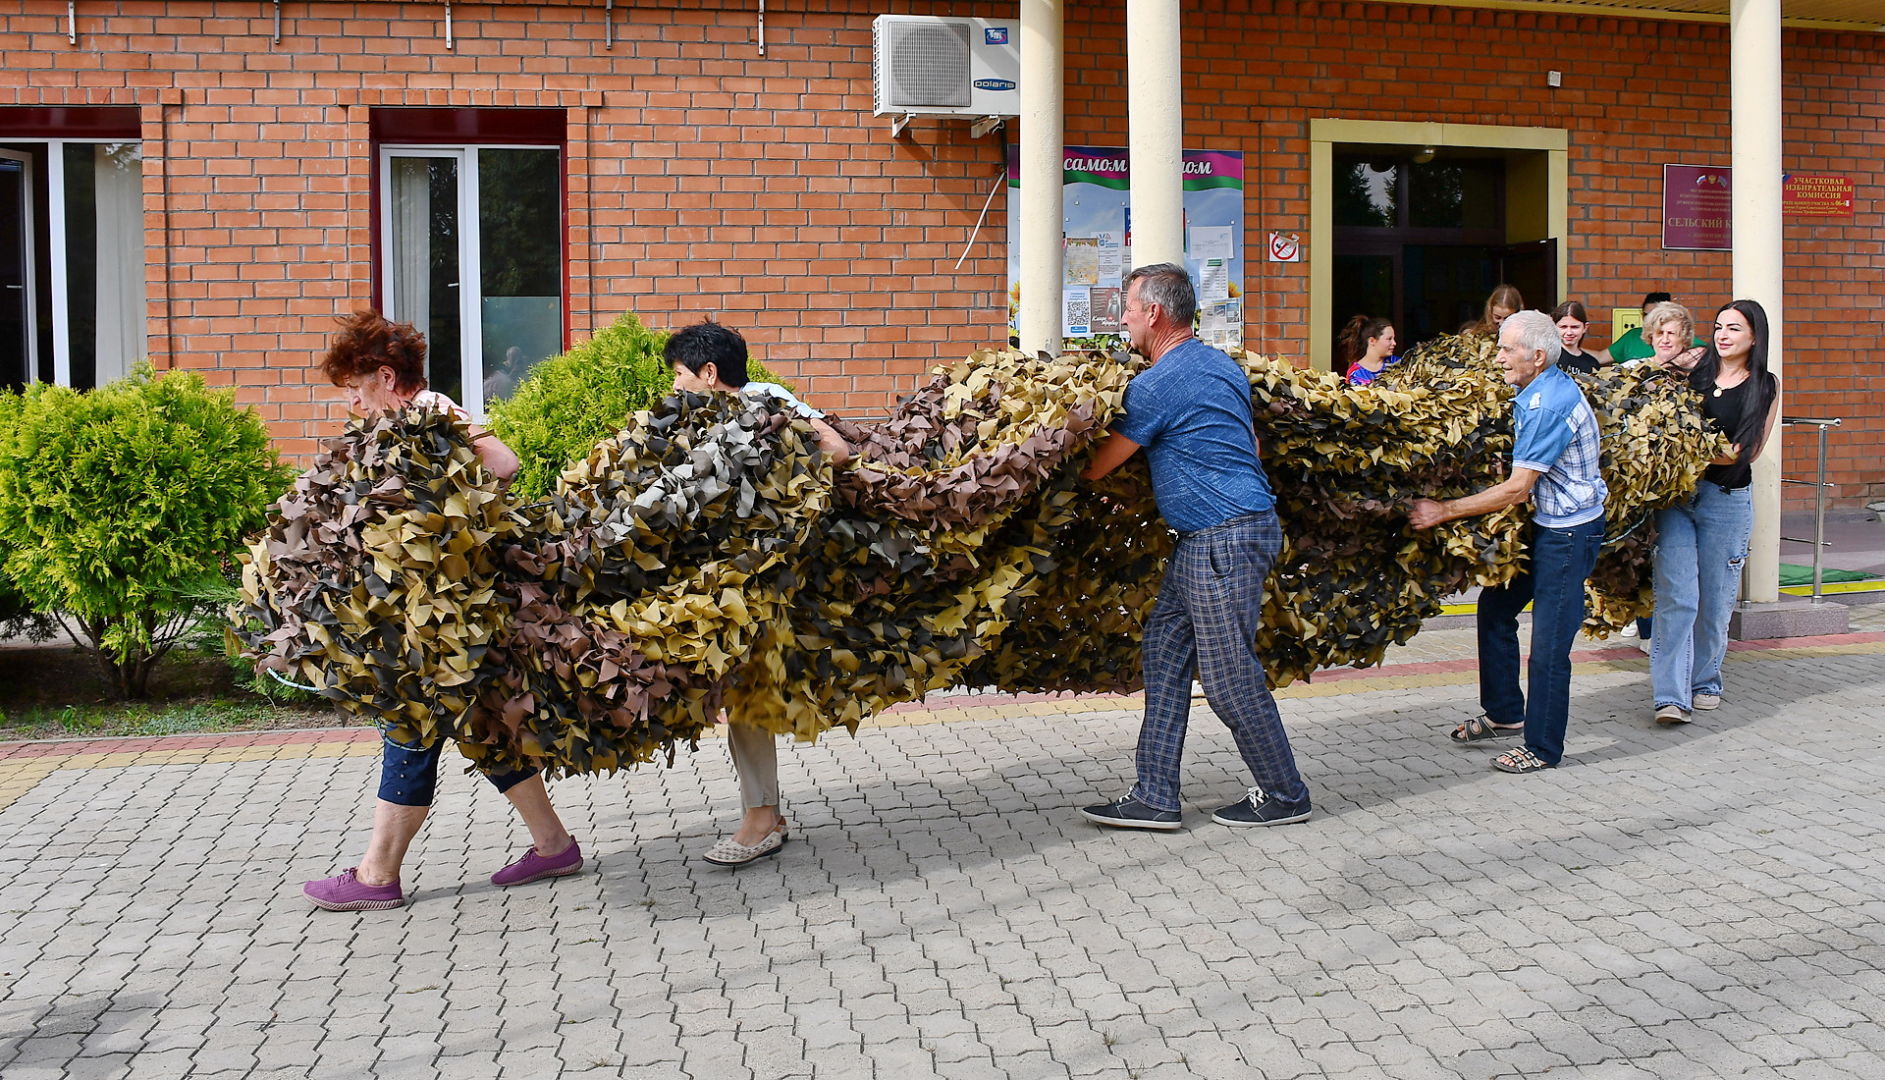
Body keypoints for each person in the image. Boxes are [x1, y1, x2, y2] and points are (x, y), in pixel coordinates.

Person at [303, 310, 582, 911]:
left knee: (411, 724)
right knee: (486, 726)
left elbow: (502, 465)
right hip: (438, 611)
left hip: (449, 615)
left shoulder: (431, 410)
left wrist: (452, 523)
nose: (352, 403)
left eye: (355, 388)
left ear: (384, 375)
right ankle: (553, 844)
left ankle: (377, 875)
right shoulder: (398, 425)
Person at [1078, 263, 1312, 829]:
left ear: (1154, 313)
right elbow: (1248, 440)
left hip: (1221, 538)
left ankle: (1286, 794)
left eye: (1129, 308)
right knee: (1164, 654)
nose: (1124, 319)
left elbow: (1097, 468)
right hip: (1218, 535)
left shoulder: (1156, 384)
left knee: (1229, 679)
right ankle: (1155, 795)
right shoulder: (1219, 365)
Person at [665, 320, 853, 867]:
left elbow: (836, 451)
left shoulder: (767, 401)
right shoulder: (692, 419)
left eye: (680, 375)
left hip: (769, 577)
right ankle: (764, 810)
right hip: (726, 576)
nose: (675, 387)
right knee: (741, 689)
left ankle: (762, 818)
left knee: (746, 688)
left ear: (708, 372)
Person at [1408, 310, 1607, 774]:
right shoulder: (1533, 389)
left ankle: (1542, 748)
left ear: (1537, 357)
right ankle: (1505, 713)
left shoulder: (1548, 404)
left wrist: (1444, 510)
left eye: (1505, 349)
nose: (1496, 357)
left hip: (1569, 534)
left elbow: (1518, 488)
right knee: (1495, 610)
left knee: (1551, 646)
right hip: (1546, 525)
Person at [1648, 299, 1780, 725]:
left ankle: (1705, 680)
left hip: (1726, 500)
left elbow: (1744, 453)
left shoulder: (1764, 385)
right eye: (1719, 326)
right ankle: (1670, 695)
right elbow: (1654, 380)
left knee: (1716, 600)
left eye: (1734, 329)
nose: (1722, 335)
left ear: (1754, 337)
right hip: (1678, 499)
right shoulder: (1697, 370)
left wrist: (1682, 450)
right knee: (1676, 596)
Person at [1338, 314, 1399, 386]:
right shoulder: (1356, 373)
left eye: (1394, 339)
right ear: (1372, 341)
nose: (1394, 343)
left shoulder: (1398, 363)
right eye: (1389, 339)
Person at [1552, 302, 1601, 375]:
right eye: (1563, 327)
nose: (1569, 332)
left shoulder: (1592, 363)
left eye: (1575, 327)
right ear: (1554, 326)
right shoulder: (1549, 357)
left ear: (1585, 327)